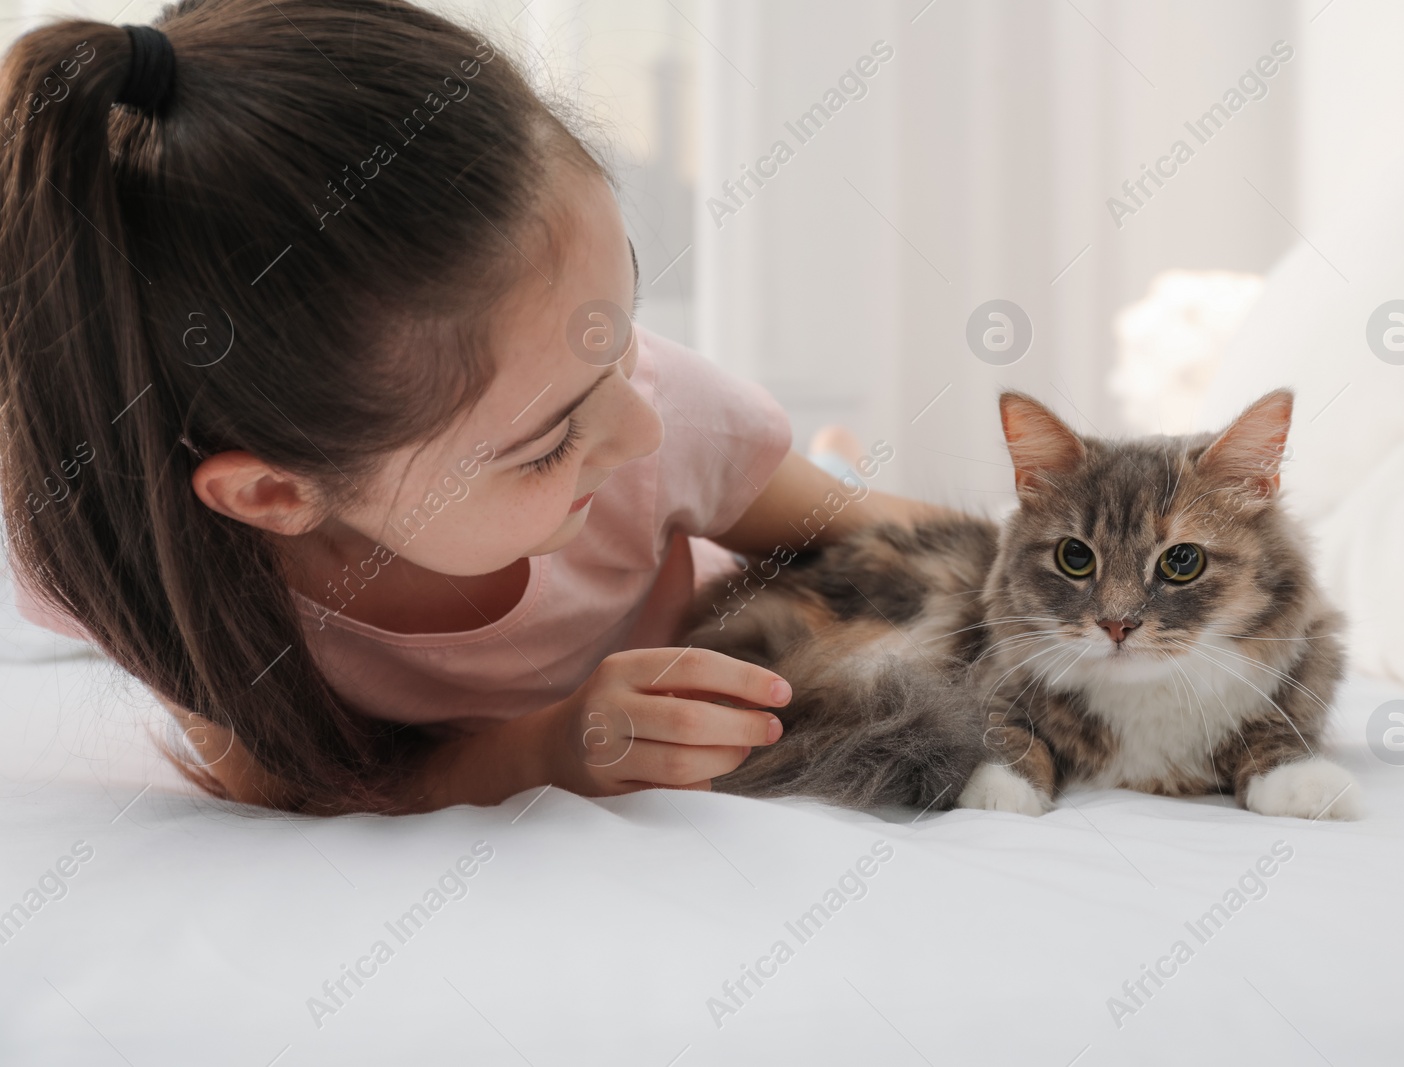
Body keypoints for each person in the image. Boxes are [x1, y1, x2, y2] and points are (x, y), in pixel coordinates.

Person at [0, 0, 941, 816]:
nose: (636, 426)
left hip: (741, 545)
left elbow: (910, 543)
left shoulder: (666, 420)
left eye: (618, 337)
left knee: (822, 508)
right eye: (547, 444)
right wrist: (551, 745)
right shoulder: (146, 558)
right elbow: (289, 780)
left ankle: (834, 451)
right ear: (274, 496)